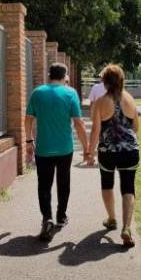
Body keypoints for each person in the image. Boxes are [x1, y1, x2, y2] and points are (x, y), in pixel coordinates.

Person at [25, 63, 89, 241]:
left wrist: (29, 141)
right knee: (63, 182)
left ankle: (47, 218)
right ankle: (61, 215)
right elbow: (79, 123)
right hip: (65, 149)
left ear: (49, 74)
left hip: (43, 149)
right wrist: (86, 149)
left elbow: (28, 120)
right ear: (65, 76)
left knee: (44, 185)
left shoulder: (37, 93)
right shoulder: (70, 94)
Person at [87, 64, 139, 247]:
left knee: (107, 184)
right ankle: (126, 228)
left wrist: (89, 152)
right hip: (130, 151)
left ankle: (111, 219)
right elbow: (135, 128)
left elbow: (95, 130)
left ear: (105, 81)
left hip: (108, 151)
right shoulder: (130, 99)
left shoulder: (101, 101)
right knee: (128, 188)